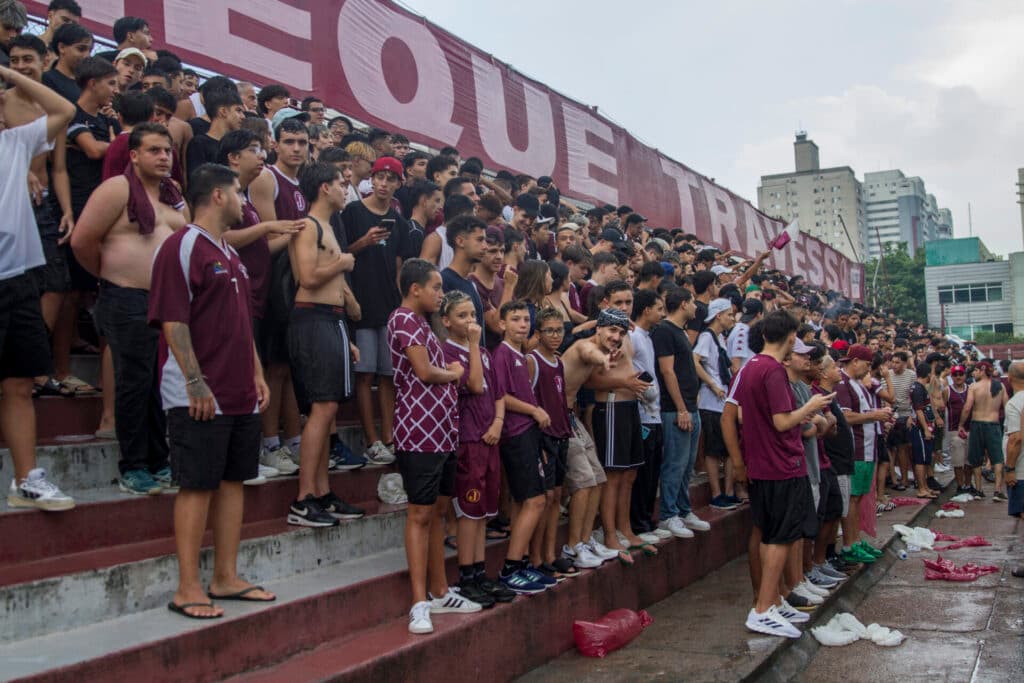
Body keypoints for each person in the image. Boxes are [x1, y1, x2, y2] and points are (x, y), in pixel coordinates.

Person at [149, 164, 274, 619]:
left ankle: (225, 575)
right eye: (239, 192)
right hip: (199, 392)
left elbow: (241, 325)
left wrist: (257, 373)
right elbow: (172, 319)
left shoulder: (231, 254)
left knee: (233, 481)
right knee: (197, 485)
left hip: (240, 388)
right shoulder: (182, 246)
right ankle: (187, 587)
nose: (245, 201)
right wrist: (195, 380)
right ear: (218, 196)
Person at [72, 123, 187, 495]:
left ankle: (157, 459)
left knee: (157, 384)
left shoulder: (171, 198)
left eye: (167, 151)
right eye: (154, 150)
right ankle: (134, 465)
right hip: (126, 298)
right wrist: (111, 275)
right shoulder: (117, 188)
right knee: (135, 382)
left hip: (163, 305)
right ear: (134, 155)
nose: (163, 157)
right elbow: (83, 240)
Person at [387, 259, 481, 635]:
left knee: (440, 513)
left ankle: (441, 591)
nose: (441, 295)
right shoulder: (404, 319)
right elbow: (425, 373)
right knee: (420, 515)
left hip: (442, 432)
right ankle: (418, 601)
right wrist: (454, 374)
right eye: (437, 288)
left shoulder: (425, 324)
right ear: (415, 289)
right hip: (418, 432)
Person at [728, 310, 832, 638]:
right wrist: (811, 407)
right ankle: (762, 610)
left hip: (762, 464)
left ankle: (771, 601)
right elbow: (783, 422)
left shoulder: (750, 366)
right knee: (781, 538)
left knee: (771, 534)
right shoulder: (772, 370)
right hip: (780, 464)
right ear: (789, 337)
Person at [1, 62, 76, 511]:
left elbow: (63, 108)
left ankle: (26, 479)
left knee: (19, 383)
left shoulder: (15, 142)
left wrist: (8, 72)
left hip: (18, 279)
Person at [286, 162, 365, 526]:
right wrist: (344, 263)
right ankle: (303, 498)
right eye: (340, 183)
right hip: (313, 318)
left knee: (329, 409)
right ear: (323, 188)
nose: (345, 189)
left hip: (330, 321)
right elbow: (307, 276)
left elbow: (330, 279)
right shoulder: (309, 226)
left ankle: (321, 492)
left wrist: (345, 329)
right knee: (322, 407)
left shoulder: (329, 228)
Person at [439, 290, 515, 606]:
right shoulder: (448, 351)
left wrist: (498, 422)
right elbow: (474, 385)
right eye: (462, 316)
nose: (471, 321)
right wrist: (471, 344)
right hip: (468, 440)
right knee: (469, 511)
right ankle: (466, 574)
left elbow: (496, 391)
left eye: (473, 315)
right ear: (446, 322)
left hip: (489, 438)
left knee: (483, 511)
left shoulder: (483, 351)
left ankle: (481, 572)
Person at [247, 117, 308, 472]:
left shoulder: (301, 182)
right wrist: (308, 228)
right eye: (289, 141)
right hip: (272, 286)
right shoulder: (267, 178)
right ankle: (269, 442)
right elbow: (266, 243)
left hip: (297, 284)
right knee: (273, 367)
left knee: (288, 367)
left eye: (302, 142)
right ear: (276, 144)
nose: (296, 148)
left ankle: (292, 440)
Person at [343, 156, 409, 465]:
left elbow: (398, 265)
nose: (383, 183)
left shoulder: (399, 220)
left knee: (388, 376)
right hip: (360, 303)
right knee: (365, 373)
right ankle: (371, 439)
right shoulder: (353, 212)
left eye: (390, 178)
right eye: (379, 177)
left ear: (398, 183)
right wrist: (363, 242)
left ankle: (390, 437)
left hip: (388, 305)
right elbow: (341, 254)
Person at [493, 300, 557, 593]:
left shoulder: (521, 354)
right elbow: (500, 395)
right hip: (515, 433)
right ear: (502, 324)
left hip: (528, 434)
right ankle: (511, 567)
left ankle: (518, 566)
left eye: (525, 319)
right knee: (535, 501)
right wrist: (533, 411)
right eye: (515, 319)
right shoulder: (503, 354)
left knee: (525, 501)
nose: (522, 324)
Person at [653, 287, 709, 538]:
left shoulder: (680, 332)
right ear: (684, 304)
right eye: (694, 303)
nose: (697, 308)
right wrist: (681, 408)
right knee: (675, 463)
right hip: (676, 409)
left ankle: (684, 509)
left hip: (690, 406)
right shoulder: (664, 331)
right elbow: (667, 371)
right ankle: (668, 515)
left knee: (687, 465)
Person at [528, 306, 580, 578]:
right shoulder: (532, 360)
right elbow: (527, 402)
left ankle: (550, 554)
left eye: (559, 330)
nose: (555, 335)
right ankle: (535, 558)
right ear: (537, 334)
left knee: (557, 497)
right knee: (545, 497)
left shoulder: (558, 361)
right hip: (543, 437)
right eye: (549, 330)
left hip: (561, 434)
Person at [834, 343, 890, 565]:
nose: (868, 370)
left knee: (859, 497)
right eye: (866, 365)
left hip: (867, 447)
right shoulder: (842, 384)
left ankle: (856, 540)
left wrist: (877, 416)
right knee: (853, 498)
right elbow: (846, 417)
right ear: (854, 361)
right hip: (855, 449)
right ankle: (849, 543)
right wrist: (875, 416)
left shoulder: (856, 384)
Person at [628, 289, 668, 538]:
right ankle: (638, 522)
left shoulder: (648, 337)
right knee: (642, 474)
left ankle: (646, 518)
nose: (662, 313)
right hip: (642, 413)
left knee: (653, 471)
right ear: (646, 310)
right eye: (659, 308)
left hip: (655, 415)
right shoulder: (633, 337)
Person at [694, 297, 738, 509]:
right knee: (713, 450)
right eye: (729, 314)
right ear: (718, 315)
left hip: (724, 399)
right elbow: (695, 360)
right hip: (711, 400)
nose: (732, 318)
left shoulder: (721, 338)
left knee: (729, 448)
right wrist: (711, 383)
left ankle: (729, 492)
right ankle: (716, 493)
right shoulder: (706, 336)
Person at [959, 361, 1008, 501]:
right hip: (993, 424)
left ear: (982, 369)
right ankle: (998, 491)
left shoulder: (974, 387)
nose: (974, 373)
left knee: (976, 458)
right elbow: (1007, 406)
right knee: (997, 458)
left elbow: (967, 408)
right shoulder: (1000, 386)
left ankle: (979, 490)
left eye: (976, 370)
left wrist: (961, 424)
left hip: (978, 424)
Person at [440, 214, 488, 342]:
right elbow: (442, 332)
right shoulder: (444, 281)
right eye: (479, 240)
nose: (485, 246)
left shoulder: (471, 283)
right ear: (460, 241)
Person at [185, 86, 243, 173]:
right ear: (223, 111)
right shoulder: (199, 144)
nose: (243, 116)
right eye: (238, 110)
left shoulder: (235, 146)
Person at [1003, 361, 1024, 578]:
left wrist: (1009, 469)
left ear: (1009, 379)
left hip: (1021, 470)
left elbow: (1016, 439)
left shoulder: (1015, 403)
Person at [909, 362, 938, 499]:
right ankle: (921, 488)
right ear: (928, 374)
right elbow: (919, 410)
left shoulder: (920, 387)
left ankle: (925, 486)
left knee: (926, 457)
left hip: (923, 426)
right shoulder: (918, 388)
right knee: (920, 459)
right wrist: (926, 429)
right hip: (920, 428)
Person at [42, 22, 91, 102]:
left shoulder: (85, 87)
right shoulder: (47, 80)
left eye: (90, 51)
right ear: (62, 47)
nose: (87, 55)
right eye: (81, 49)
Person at [946, 364, 972, 494]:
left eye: (960, 374)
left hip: (970, 428)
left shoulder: (971, 389)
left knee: (969, 460)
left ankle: (968, 484)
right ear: (952, 376)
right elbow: (938, 405)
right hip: (954, 429)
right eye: (955, 375)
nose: (958, 377)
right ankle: (960, 485)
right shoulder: (947, 390)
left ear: (965, 375)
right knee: (957, 460)